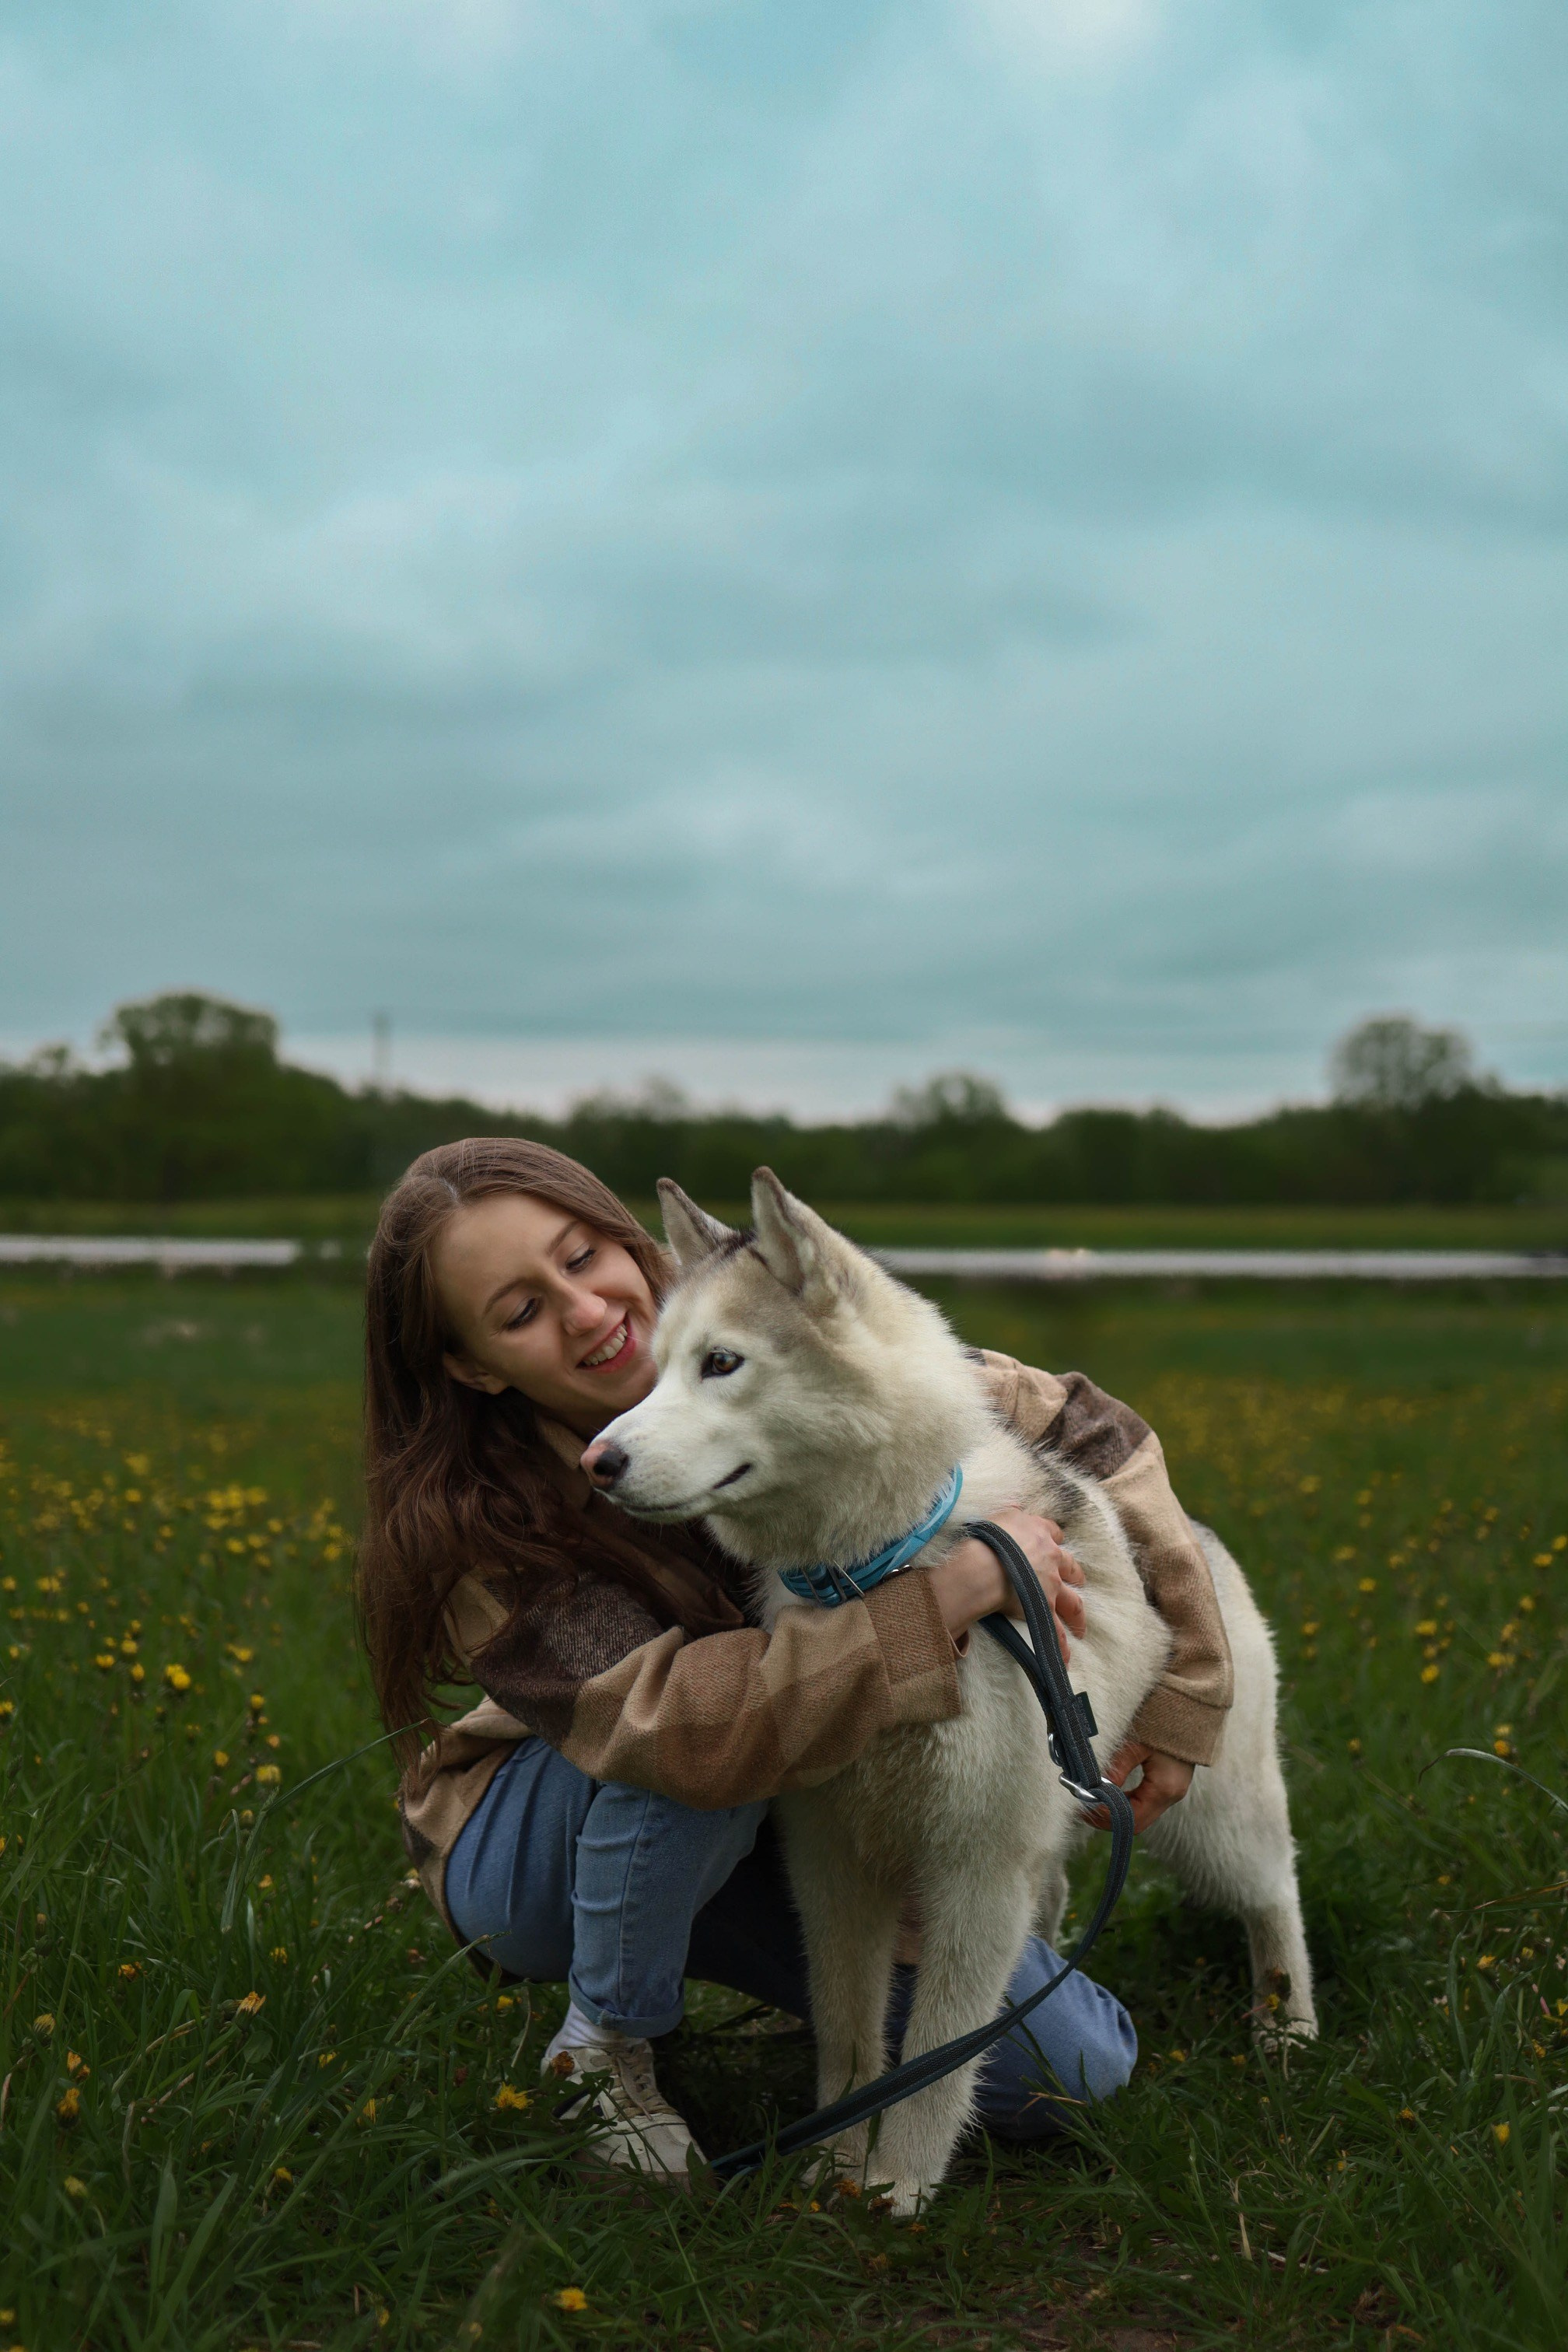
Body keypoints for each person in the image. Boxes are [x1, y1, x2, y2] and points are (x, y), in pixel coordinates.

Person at [359, 1139, 1234, 2181]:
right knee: (724, 1721)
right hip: (557, 1833)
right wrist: (940, 1598)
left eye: (582, 1256)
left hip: (771, 1795)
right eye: (519, 1311)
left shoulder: (805, 1345)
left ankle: (795, 2004)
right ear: (472, 1364)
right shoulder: (489, 1524)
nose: (586, 1311)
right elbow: (672, 1730)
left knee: (1069, 2068)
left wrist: (1185, 1697)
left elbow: (1099, 1437)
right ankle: (607, 2044)